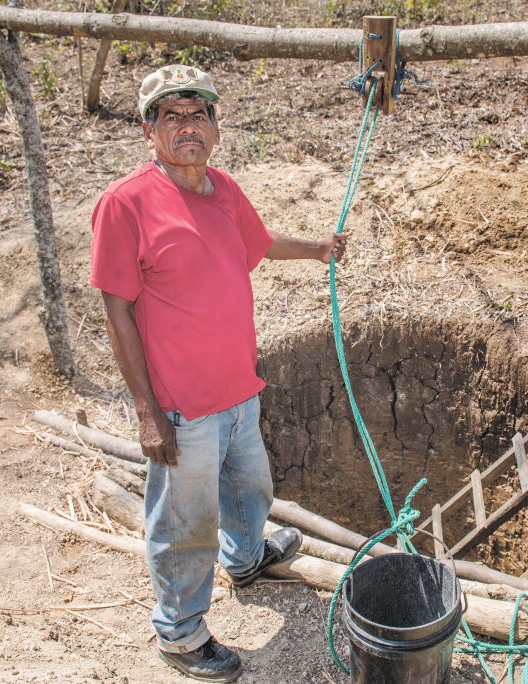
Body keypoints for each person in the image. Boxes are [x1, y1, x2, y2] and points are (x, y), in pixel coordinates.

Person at [89, 64, 349, 682]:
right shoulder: (125, 204)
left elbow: (256, 244)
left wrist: (316, 248)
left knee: (250, 491)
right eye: (172, 116)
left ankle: (247, 557)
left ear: (215, 126)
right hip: (182, 407)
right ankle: (180, 634)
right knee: (183, 527)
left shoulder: (224, 189)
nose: (188, 127)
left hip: (239, 392)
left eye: (199, 114)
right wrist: (148, 413)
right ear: (149, 129)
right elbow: (117, 310)